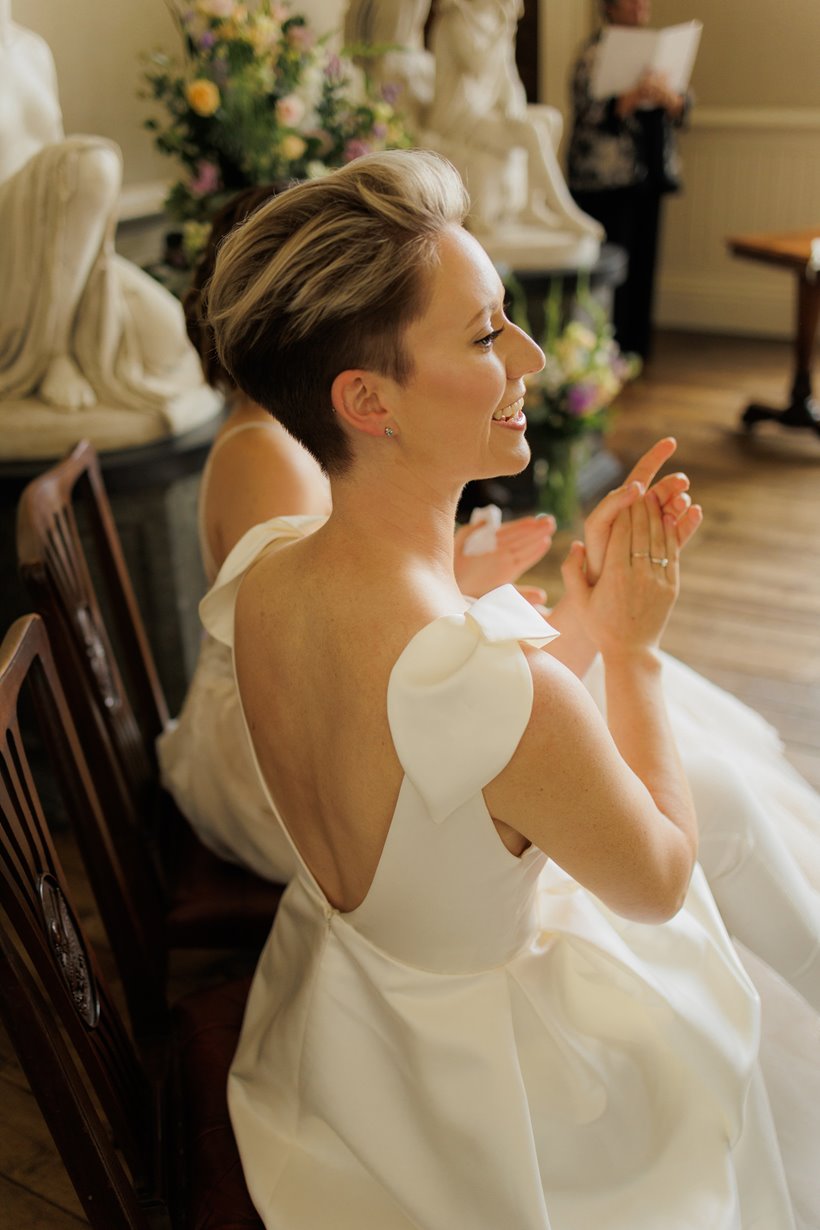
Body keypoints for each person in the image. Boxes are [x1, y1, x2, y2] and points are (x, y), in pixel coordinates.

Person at [198, 148, 818, 1227]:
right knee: (746, 1019)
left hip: (348, 1024)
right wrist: (628, 651)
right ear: (367, 401)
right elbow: (657, 881)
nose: (528, 354)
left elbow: (442, 776)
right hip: (488, 1095)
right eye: (486, 334)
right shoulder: (484, 678)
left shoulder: (265, 572)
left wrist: (574, 622)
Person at [157, 186, 557, 881]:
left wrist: (459, 574)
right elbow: (320, 655)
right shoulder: (266, 454)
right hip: (279, 763)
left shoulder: (307, 434)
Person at [0, 1, 216, 442]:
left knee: (172, 346)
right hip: (6, 250)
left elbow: (58, 179)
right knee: (91, 162)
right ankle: (54, 352)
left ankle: (63, 326)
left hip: (59, 251)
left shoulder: (31, 49)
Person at [567, 0, 690, 359]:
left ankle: (637, 346)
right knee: (610, 264)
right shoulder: (593, 52)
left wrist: (667, 97)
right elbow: (586, 109)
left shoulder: (662, 53)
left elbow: (685, 106)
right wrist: (631, 98)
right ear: (610, 7)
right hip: (603, 180)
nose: (640, 6)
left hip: (649, 175)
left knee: (643, 263)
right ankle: (603, 348)